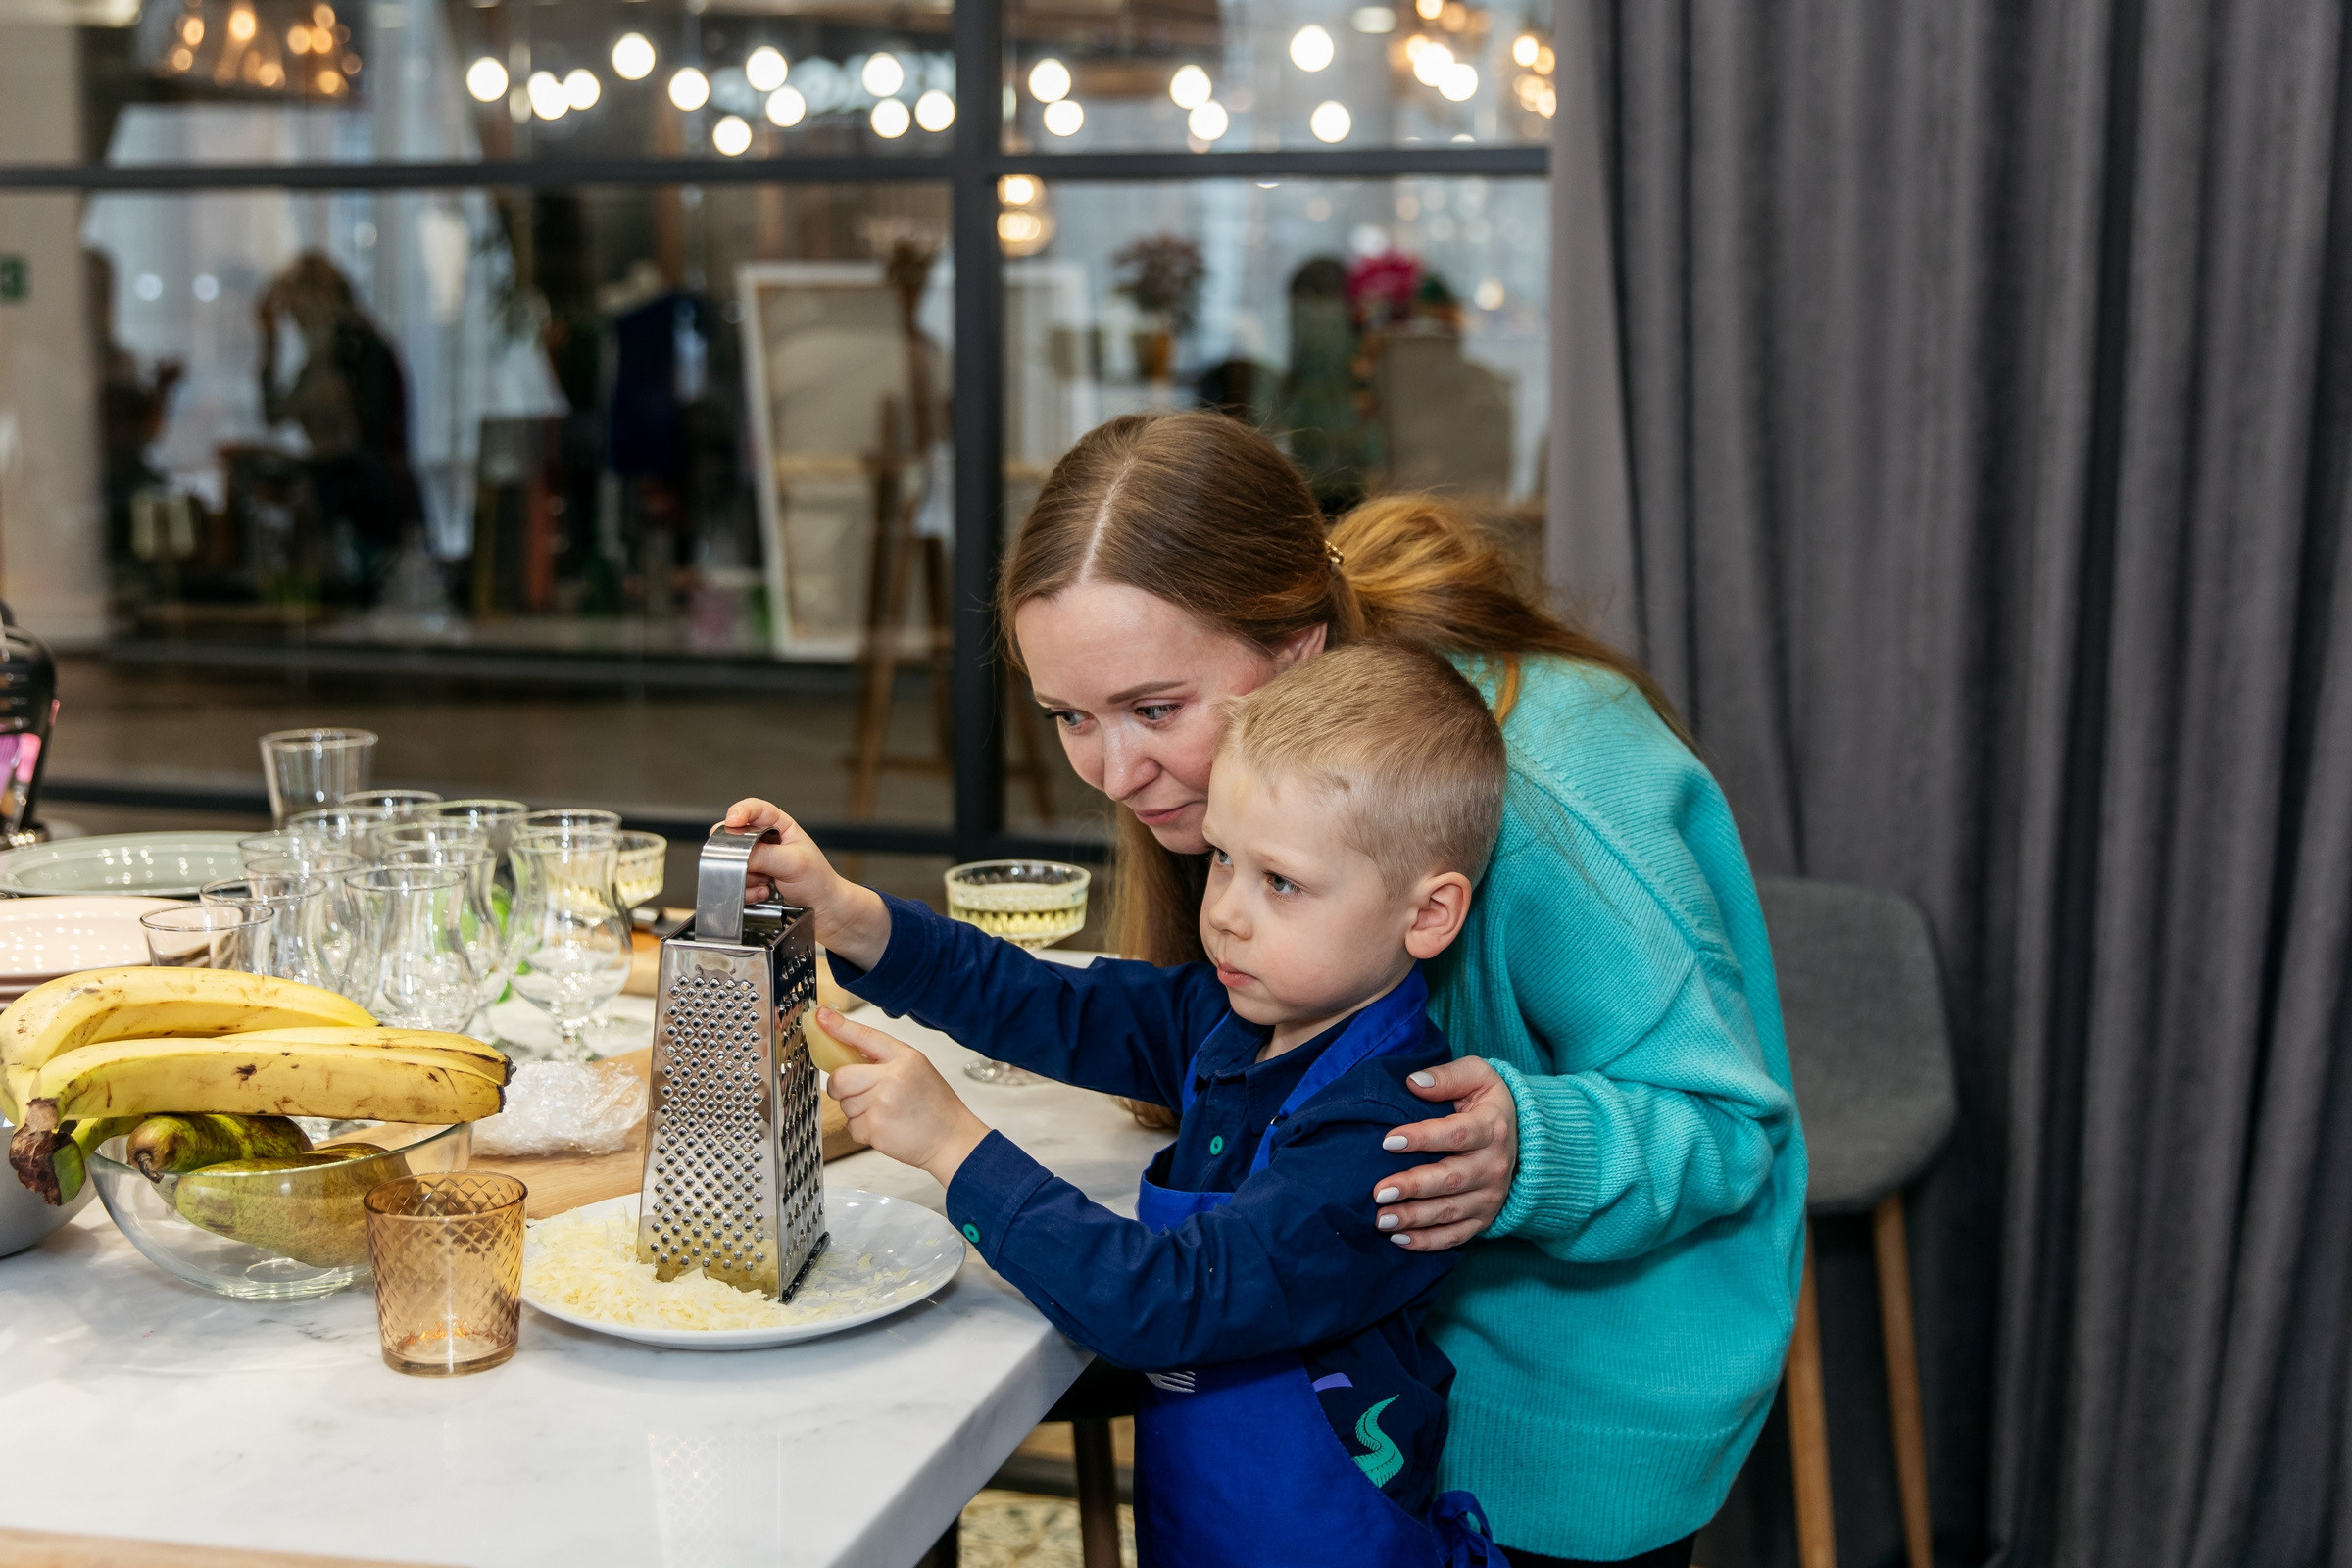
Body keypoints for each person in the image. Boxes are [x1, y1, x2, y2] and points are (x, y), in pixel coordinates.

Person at [989, 411, 1806, 1568]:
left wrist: (1533, 1144)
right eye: (1070, 716)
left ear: (1299, 652)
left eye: (1155, 710)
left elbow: (1731, 1129)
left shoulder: (1549, 794)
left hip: (1561, 1430)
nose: (1114, 773)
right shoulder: (1258, 803)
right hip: (1364, 1391)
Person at [727, 644, 1513, 1568]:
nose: (1225, 910)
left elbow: (1170, 1303)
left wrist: (956, 1147)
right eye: (1224, 859)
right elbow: (1041, 998)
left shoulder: (1384, 1139)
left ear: (1429, 915)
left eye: (1282, 883)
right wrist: (846, 911)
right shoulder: (1227, 1017)